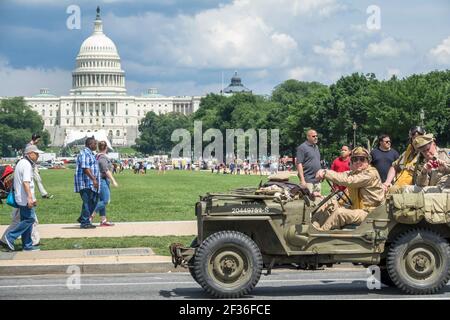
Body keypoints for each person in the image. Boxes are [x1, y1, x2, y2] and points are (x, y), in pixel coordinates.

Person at [313, 147, 385, 231]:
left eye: (362, 159)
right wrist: (324, 173)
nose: (358, 162)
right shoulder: (354, 173)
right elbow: (341, 176)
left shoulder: (371, 173)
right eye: (355, 159)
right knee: (331, 204)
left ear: (368, 161)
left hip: (370, 213)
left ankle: (318, 236)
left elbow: (350, 181)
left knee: (340, 213)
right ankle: (314, 226)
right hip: (357, 209)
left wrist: (326, 173)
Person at [3, 145, 44, 251]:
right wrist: (30, 198)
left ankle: (27, 245)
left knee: (26, 220)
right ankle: (10, 237)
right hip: (25, 198)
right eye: (36, 153)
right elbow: (26, 183)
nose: (38, 155)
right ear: (30, 154)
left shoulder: (21, 163)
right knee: (30, 219)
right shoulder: (26, 165)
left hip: (21, 197)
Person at [383, 126, 425, 192]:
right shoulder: (407, 154)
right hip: (398, 188)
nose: (417, 140)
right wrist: (387, 182)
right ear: (411, 139)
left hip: (413, 192)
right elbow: (394, 167)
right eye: (414, 138)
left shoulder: (426, 154)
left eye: (419, 137)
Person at [90, 141, 118, 227]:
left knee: (102, 201)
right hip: (102, 180)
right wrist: (113, 180)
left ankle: (103, 220)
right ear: (106, 148)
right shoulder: (102, 157)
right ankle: (91, 216)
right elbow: (106, 170)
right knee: (106, 200)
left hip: (101, 180)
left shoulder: (98, 156)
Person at [74, 137, 100, 229]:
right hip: (85, 182)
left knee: (93, 201)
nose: (96, 145)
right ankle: (85, 222)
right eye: (95, 144)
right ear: (90, 144)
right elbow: (85, 168)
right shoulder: (84, 154)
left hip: (90, 183)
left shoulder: (91, 154)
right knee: (87, 202)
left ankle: (83, 218)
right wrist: (94, 179)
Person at [26, 133, 54, 199]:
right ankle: (30, 195)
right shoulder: (29, 146)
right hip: (29, 165)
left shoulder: (33, 146)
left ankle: (44, 194)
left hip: (33, 165)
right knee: (29, 181)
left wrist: (36, 167)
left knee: (38, 179)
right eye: (38, 140)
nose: (38, 141)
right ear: (35, 139)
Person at [296, 129, 322, 195]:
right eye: (313, 136)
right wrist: (302, 180)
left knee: (318, 202)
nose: (316, 137)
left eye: (316, 136)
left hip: (317, 180)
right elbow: (299, 164)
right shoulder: (302, 147)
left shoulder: (316, 147)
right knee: (308, 202)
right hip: (308, 181)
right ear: (308, 137)